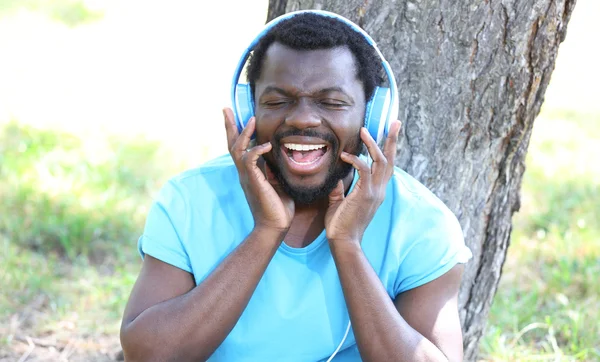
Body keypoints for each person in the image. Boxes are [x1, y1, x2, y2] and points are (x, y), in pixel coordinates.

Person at [120, 10, 472, 362]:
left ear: (372, 116)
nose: (302, 117)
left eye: (331, 102)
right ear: (248, 112)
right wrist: (266, 231)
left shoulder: (422, 222)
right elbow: (149, 355)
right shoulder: (190, 200)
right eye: (277, 101)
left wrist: (347, 246)